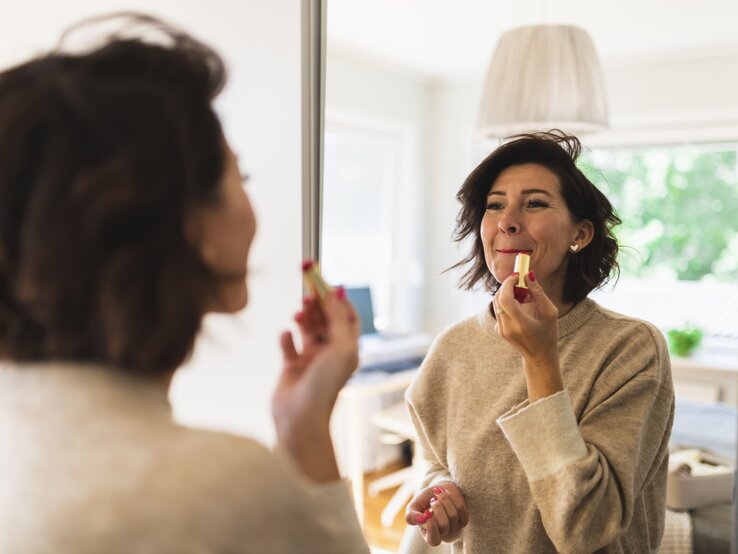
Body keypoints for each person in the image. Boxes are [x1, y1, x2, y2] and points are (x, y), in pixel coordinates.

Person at [0, 13, 368, 553]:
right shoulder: (224, 487)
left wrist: (302, 423)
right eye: (237, 175)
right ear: (190, 224)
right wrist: (309, 435)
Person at [403, 131, 674, 553]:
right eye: (495, 205)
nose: (508, 220)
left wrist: (541, 360)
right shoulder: (451, 349)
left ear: (580, 234)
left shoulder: (632, 349)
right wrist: (441, 493)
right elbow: (436, 461)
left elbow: (586, 528)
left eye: (535, 203)